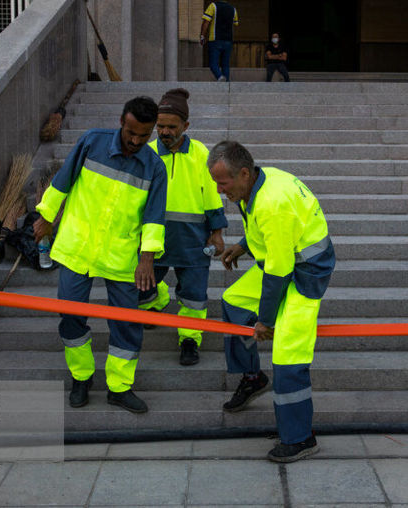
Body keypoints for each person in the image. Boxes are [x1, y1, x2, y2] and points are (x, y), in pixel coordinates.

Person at [33, 97, 167, 414]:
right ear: (122, 121)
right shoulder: (91, 141)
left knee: (127, 322)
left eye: (143, 136)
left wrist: (147, 258)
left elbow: (154, 216)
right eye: (131, 133)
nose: (135, 141)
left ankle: (119, 387)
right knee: (70, 316)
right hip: (77, 248)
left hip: (120, 256)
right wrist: (46, 215)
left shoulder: (154, 167)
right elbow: (63, 179)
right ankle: (82, 377)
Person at [208, 141, 335, 463]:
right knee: (233, 301)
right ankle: (253, 377)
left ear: (245, 173)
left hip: (304, 274)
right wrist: (243, 245)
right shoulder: (256, 185)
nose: (220, 190)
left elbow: (279, 271)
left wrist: (266, 320)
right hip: (283, 261)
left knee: (288, 356)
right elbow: (266, 234)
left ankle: (301, 439)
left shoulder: (272, 203)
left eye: (223, 183)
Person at [137, 89, 227, 366]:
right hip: (154, 239)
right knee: (142, 289)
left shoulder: (200, 152)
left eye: (171, 127)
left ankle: (190, 339)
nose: (164, 132)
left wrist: (217, 231)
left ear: (186, 127)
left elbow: (211, 194)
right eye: (160, 126)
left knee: (194, 296)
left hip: (193, 240)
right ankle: (157, 301)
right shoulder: (146, 153)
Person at [201, 0, 239, 82]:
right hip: (228, 40)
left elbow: (206, 22)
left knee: (213, 64)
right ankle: (226, 85)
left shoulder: (213, 6)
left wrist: (202, 36)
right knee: (225, 65)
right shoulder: (233, 9)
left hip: (215, 39)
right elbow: (235, 23)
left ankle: (219, 77)